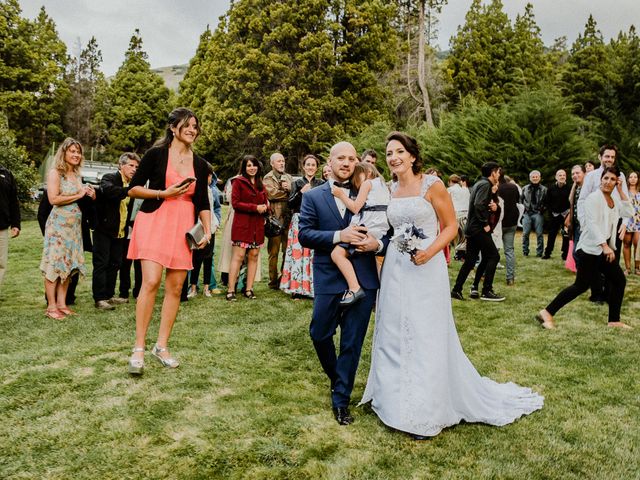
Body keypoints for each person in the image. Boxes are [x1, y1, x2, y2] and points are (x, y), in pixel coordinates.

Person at [360, 131, 543, 439]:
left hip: (426, 266)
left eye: (398, 151)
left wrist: (429, 252)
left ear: (413, 155)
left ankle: (425, 409)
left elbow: (450, 227)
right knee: (393, 327)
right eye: (389, 153)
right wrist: (377, 242)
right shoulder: (389, 189)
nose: (393, 157)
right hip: (395, 266)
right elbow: (392, 229)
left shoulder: (433, 185)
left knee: (424, 331)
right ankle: (391, 397)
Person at [298, 141, 386, 426]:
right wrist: (339, 236)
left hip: (365, 277)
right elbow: (305, 235)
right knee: (319, 333)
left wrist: (378, 244)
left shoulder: (371, 190)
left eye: (352, 158)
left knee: (352, 342)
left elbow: (391, 229)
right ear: (331, 160)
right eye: (341, 158)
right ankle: (339, 379)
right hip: (328, 276)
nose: (347, 163)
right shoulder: (313, 197)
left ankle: (341, 399)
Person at [126, 108, 212, 375]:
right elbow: (134, 188)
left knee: (175, 289)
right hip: (155, 220)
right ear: (173, 128)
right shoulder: (155, 154)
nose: (192, 130)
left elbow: (203, 202)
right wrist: (163, 193)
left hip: (183, 227)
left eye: (195, 126)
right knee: (150, 282)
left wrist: (207, 231)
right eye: (187, 125)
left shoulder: (200, 163)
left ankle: (161, 346)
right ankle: (139, 347)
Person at [537, 167, 633, 330]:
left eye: (612, 179)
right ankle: (547, 312)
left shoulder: (614, 200)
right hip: (590, 249)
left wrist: (621, 191)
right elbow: (592, 224)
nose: (608, 182)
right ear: (601, 179)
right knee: (581, 286)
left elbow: (629, 211)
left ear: (617, 182)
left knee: (618, 281)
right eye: (606, 178)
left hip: (602, 250)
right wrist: (604, 246)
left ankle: (614, 321)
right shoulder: (593, 198)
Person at [40, 138, 96, 319]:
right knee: (54, 265)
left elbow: (80, 198)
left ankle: (62, 304)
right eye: (72, 151)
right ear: (63, 153)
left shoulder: (77, 175)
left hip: (74, 228)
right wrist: (79, 194)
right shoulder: (55, 173)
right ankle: (51, 307)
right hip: (58, 227)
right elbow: (53, 199)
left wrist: (90, 194)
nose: (76, 155)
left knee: (69, 264)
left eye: (78, 152)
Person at [330, 162, 390, 306]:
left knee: (336, 254)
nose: (355, 182)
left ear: (367, 171)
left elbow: (356, 208)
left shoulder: (367, 183)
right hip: (378, 230)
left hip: (365, 228)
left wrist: (340, 195)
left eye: (356, 177)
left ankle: (354, 287)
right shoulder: (384, 186)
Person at [92, 153, 139, 310]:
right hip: (104, 229)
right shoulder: (109, 178)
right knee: (102, 263)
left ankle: (109, 295)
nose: (134, 169)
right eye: (131, 165)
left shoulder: (133, 184)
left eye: (136, 167)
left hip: (120, 231)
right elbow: (108, 191)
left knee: (115, 263)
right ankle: (99, 298)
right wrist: (128, 191)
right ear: (121, 165)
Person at [451, 162, 505, 301]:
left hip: (472, 228)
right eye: (498, 172)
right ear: (493, 173)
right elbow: (477, 204)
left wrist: (492, 206)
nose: (499, 174)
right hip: (478, 228)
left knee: (470, 261)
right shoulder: (485, 184)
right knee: (494, 256)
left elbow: (480, 203)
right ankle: (487, 291)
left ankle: (457, 290)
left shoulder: (479, 183)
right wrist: (485, 223)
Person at [280, 154, 324, 299]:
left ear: (317, 168)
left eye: (313, 165)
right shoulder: (297, 183)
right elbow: (290, 203)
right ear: (304, 167)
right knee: (297, 255)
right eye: (308, 164)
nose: (310, 167)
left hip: (315, 221)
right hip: (299, 219)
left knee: (312, 254)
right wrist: (301, 193)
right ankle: (296, 288)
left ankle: (311, 288)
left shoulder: (321, 183)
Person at [226, 155, 268, 301]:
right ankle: (231, 290)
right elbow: (236, 203)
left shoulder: (260, 184)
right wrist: (255, 207)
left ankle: (249, 289)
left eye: (254, 165)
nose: (252, 168)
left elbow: (265, 201)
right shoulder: (238, 182)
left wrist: (265, 207)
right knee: (237, 257)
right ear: (244, 167)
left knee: (254, 256)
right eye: (249, 165)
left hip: (257, 226)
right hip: (242, 225)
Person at [186, 167, 221, 298]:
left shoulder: (212, 191)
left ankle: (207, 288)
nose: (208, 179)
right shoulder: (195, 191)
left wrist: (215, 224)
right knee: (196, 259)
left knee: (208, 258)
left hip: (210, 227)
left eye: (210, 176)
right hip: (197, 228)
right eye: (206, 176)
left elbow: (213, 209)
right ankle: (193, 287)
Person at [263, 152, 293, 289]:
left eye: (283, 161)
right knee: (273, 253)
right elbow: (272, 194)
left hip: (288, 219)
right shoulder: (267, 178)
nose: (282, 163)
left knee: (287, 251)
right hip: (274, 220)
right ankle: (273, 281)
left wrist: (290, 191)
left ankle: (283, 277)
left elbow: (295, 194)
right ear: (272, 163)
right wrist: (287, 192)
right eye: (279, 161)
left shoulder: (289, 177)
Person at [0, 164, 20, 292]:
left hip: (1, 227)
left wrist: (16, 224)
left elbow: (13, 201)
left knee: (1, 264)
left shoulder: (6, 173)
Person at [543, 169, 571, 260]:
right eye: (560, 175)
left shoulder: (569, 188)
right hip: (554, 215)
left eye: (564, 175)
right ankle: (547, 253)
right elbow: (547, 202)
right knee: (551, 235)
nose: (562, 177)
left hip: (566, 215)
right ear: (556, 177)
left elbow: (571, 202)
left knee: (566, 235)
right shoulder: (551, 188)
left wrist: (568, 214)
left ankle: (565, 254)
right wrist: (551, 212)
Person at [498, 173, 520, 285]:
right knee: (509, 250)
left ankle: (484, 274)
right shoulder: (513, 187)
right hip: (512, 221)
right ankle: (510, 278)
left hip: (499, 222)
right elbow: (517, 200)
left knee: (492, 249)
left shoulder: (497, 188)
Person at [520, 170, 547, 257]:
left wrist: (542, 210)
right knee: (525, 233)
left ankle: (539, 252)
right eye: (533, 177)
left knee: (539, 233)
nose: (535, 178)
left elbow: (547, 202)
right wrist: (523, 210)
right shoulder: (525, 188)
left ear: (539, 178)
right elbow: (520, 200)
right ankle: (525, 251)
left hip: (538, 213)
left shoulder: (544, 189)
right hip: (527, 213)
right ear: (530, 178)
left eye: (536, 177)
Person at [447, 174, 470, 261]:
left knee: (453, 236)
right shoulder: (465, 189)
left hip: (455, 213)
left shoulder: (450, 190)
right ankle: (461, 255)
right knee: (463, 236)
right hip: (465, 214)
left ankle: (456, 254)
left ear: (450, 182)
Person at [622, 171, 639, 275]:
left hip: (639, 222)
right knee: (627, 244)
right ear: (627, 179)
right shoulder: (624, 192)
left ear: (638, 179)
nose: (633, 179)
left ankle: (637, 268)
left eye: (635, 177)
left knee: (638, 244)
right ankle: (628, 268)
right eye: (631, 177)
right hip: (628, 221)